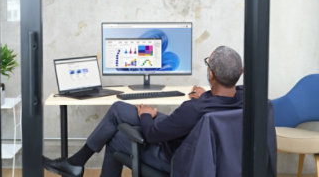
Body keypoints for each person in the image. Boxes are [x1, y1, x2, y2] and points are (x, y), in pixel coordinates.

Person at [43, 45, 244, 177]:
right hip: (206, 155)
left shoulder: (193, 109)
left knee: (115, 138)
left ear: (211, 74)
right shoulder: (246, 99)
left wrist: (146, 114)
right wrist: (207, 94)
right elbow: (220, 98)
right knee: (119, 109)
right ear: (240, 73)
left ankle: (76, 163)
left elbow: (152, 135)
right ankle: (76, 162)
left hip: (178, 158)